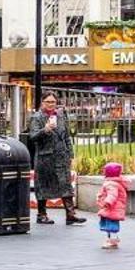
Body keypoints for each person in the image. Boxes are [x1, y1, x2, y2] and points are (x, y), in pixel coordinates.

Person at [26, 92, 86, 226]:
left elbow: (66, 136)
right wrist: (45, 130)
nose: (51, 104)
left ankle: (70, 215)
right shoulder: (37, 117)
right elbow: (32, 136)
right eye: (48, 102)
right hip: (44, 157)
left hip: (61, 155)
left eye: (53, 102)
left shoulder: (60, 115)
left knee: (65, 183)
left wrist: (70, 154)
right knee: (43, 185)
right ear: (42, 102)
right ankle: (41, 214)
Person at [95, 161, 129, 250]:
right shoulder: (114, 182)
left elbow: (112, 195)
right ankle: (111, 239)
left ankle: (113, 241)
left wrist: (107, 202)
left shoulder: (111, 184)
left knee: (111, 225)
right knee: (109, 224)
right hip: (113, 208)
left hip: (112, 208)